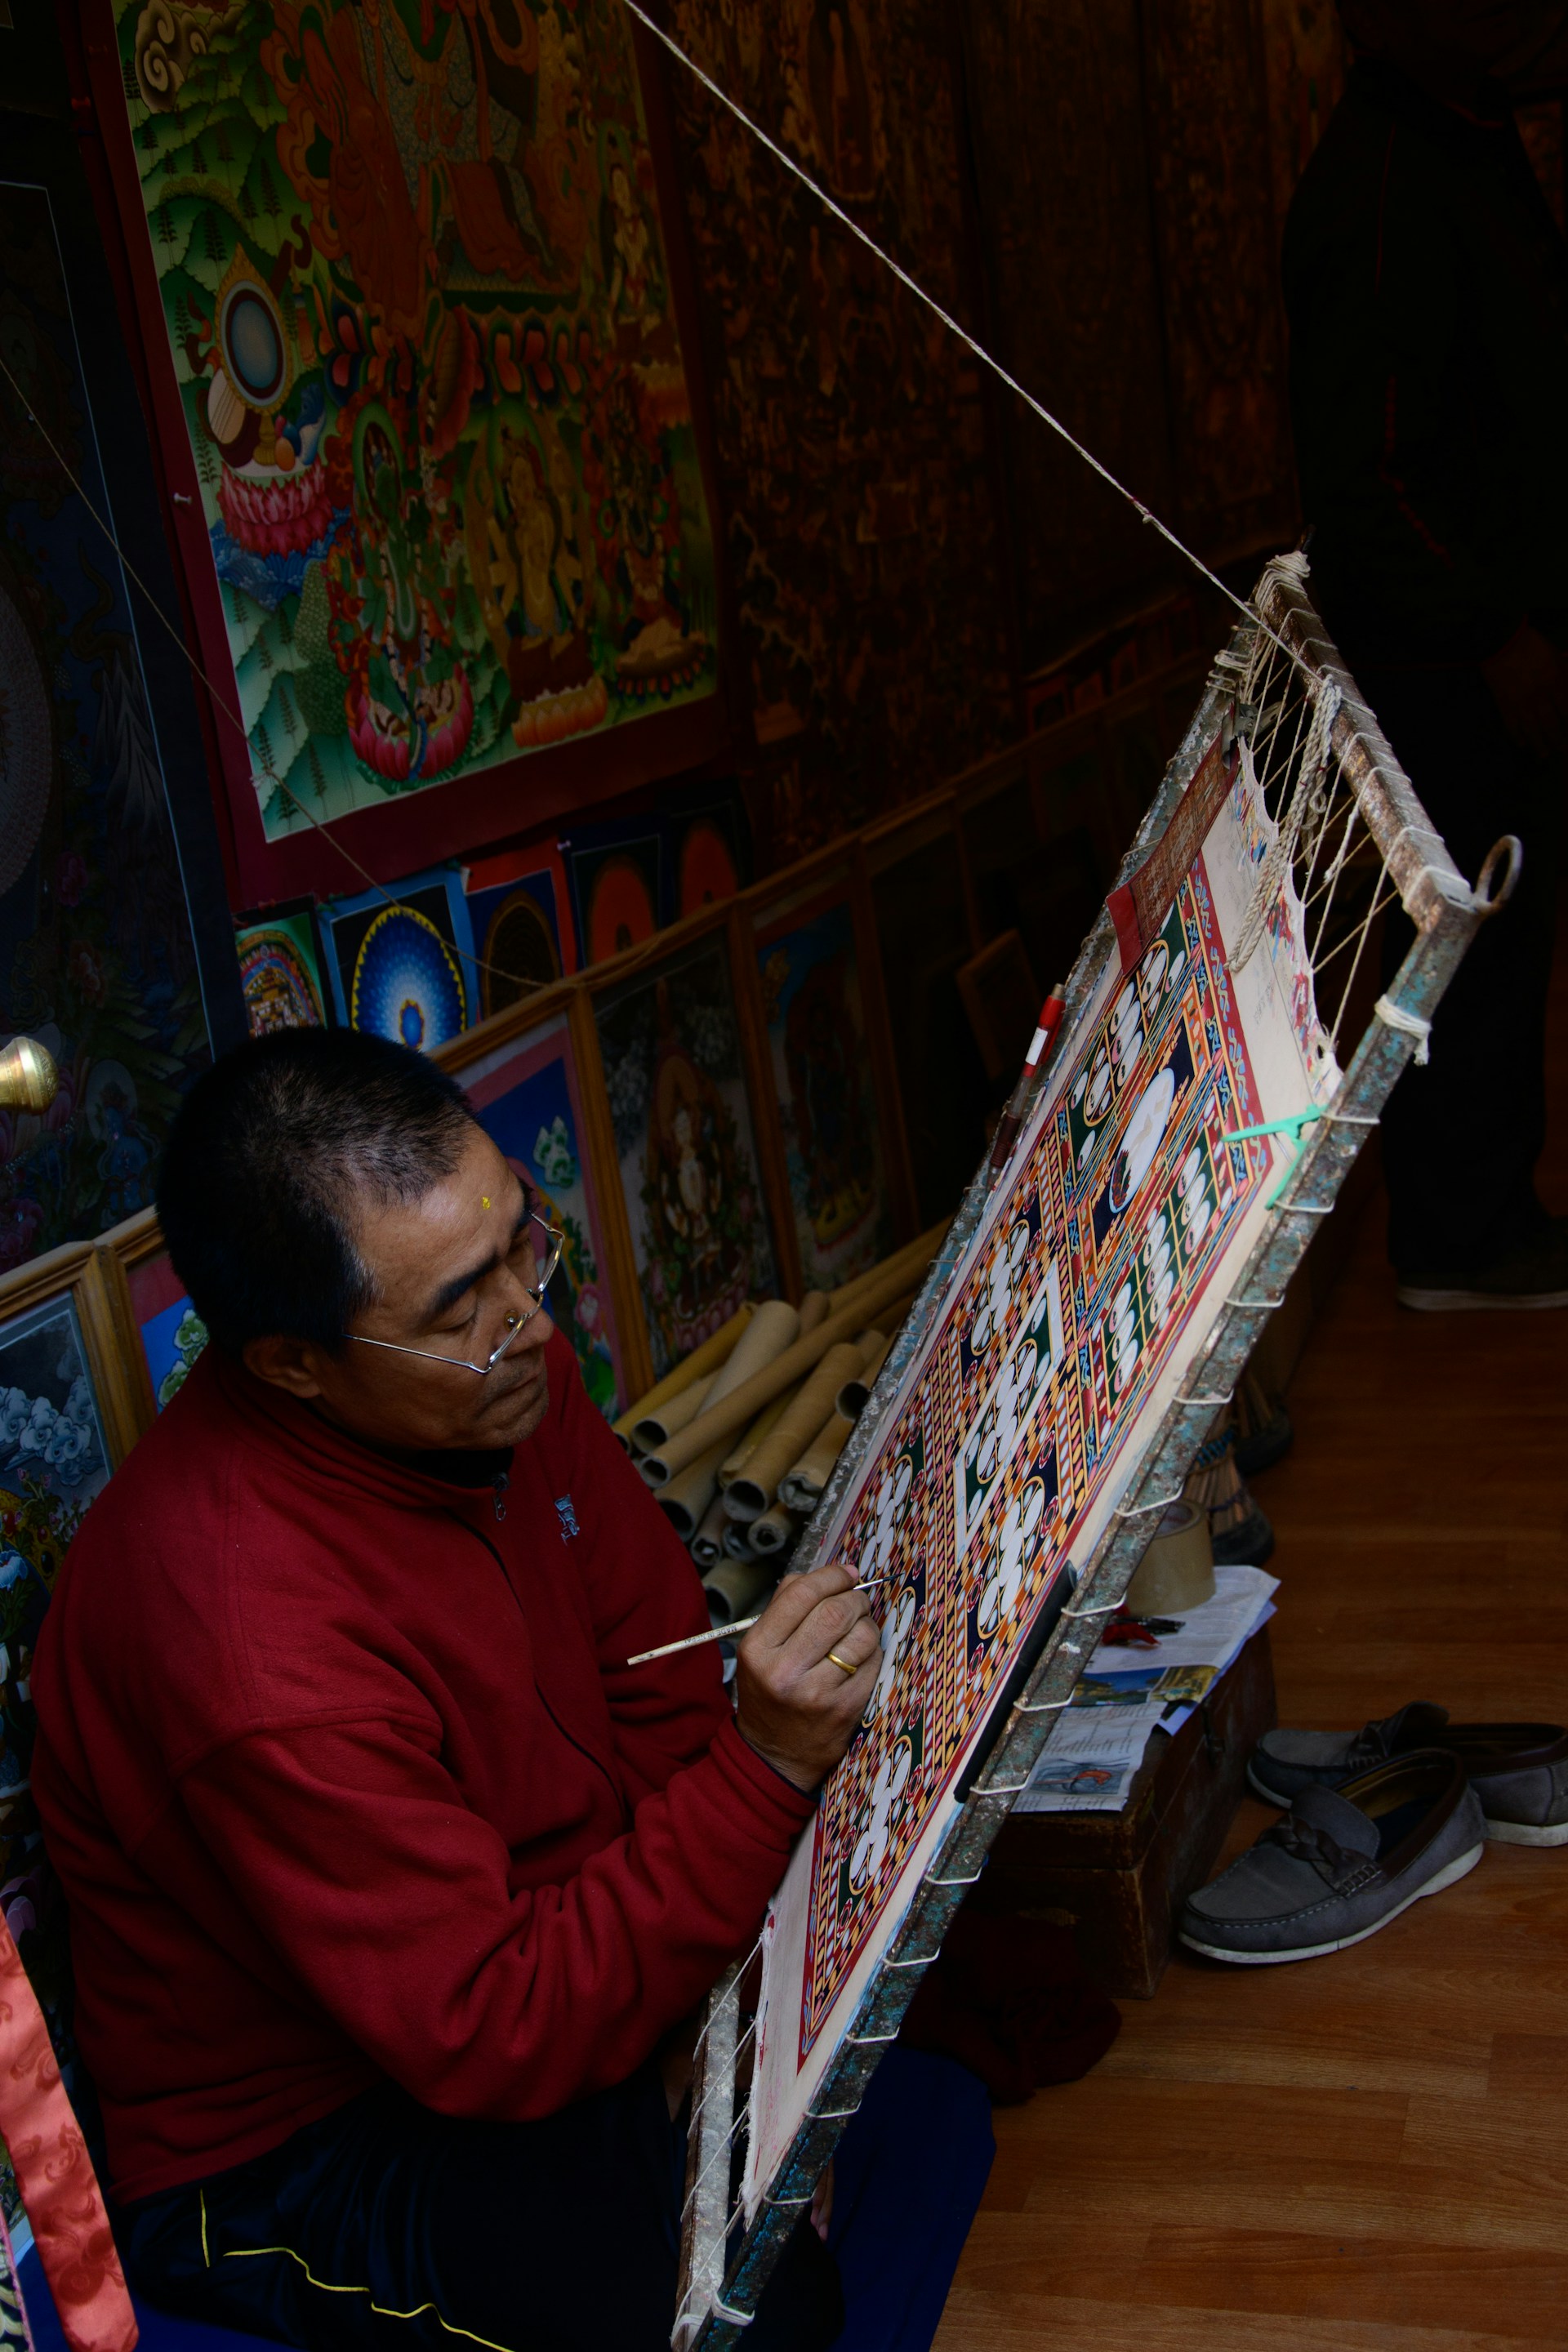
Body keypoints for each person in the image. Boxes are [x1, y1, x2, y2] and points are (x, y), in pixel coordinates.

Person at [32, 1031, 995, 2352]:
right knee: (734, 2313)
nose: (529, 1318)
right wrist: (764, 1774)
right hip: (300, 2133)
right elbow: (488, 2028)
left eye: (519, 1244)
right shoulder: (246, 1632)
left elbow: (662, 1704)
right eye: (458, 1305)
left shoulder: (487, 1384)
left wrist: (730, 2049)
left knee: (822, 2138)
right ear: (290, 1364)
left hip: (529, 1968)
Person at [1283, 0, 1568, 1307]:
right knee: (1467, 941)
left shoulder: (1467, 140)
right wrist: (1486, 633)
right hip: (1446, 657)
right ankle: (1457, 1233)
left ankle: (1486, 1208)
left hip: (1499, 635)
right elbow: (1366, 482)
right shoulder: (1383, 182)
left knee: (1509, 944)